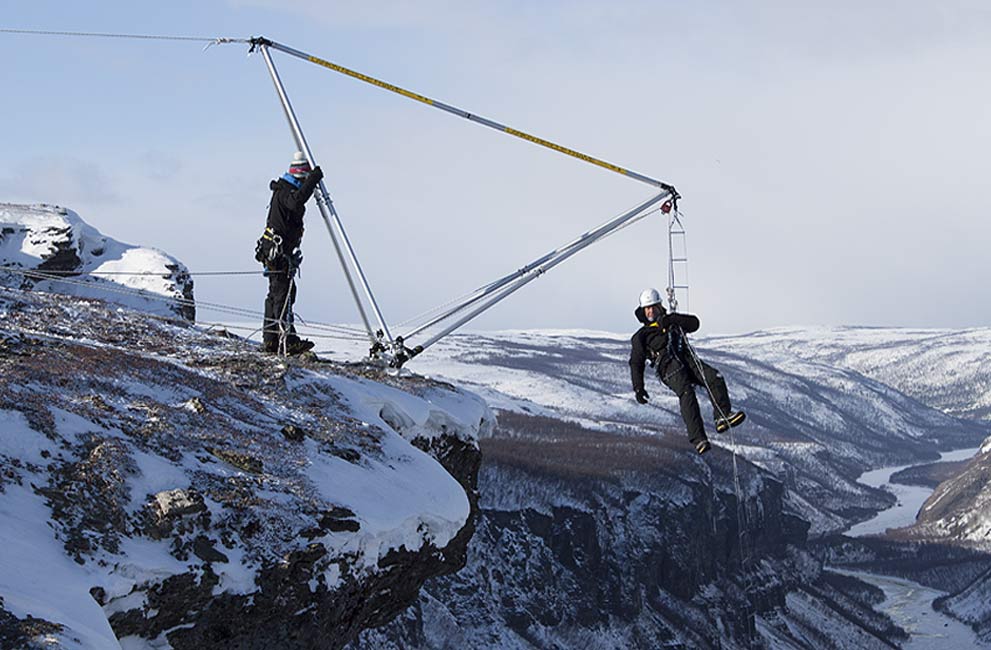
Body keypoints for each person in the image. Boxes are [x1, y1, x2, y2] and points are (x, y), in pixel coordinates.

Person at [629, 288, 745, 454]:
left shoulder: (672, 322)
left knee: (714, 377)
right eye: (647, 308)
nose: (650, 311)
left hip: (686, 358)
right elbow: (636, 362)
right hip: (668, 366)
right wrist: (638, 388)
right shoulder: (641, 336)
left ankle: (723, 416)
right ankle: (699, 439)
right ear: (642, 311)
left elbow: (694, 324)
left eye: (653, 307)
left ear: (660, 306)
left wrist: (673, 320)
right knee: (686, 392)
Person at [256, 151, 324, 355]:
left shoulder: (283, 190)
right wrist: (314, 179)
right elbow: (297, 201)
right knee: (282, 295)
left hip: (278, 251)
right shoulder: (285, 191)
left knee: (276, 294)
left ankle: (271, 340)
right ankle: (288, 340)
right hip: (277, 253)